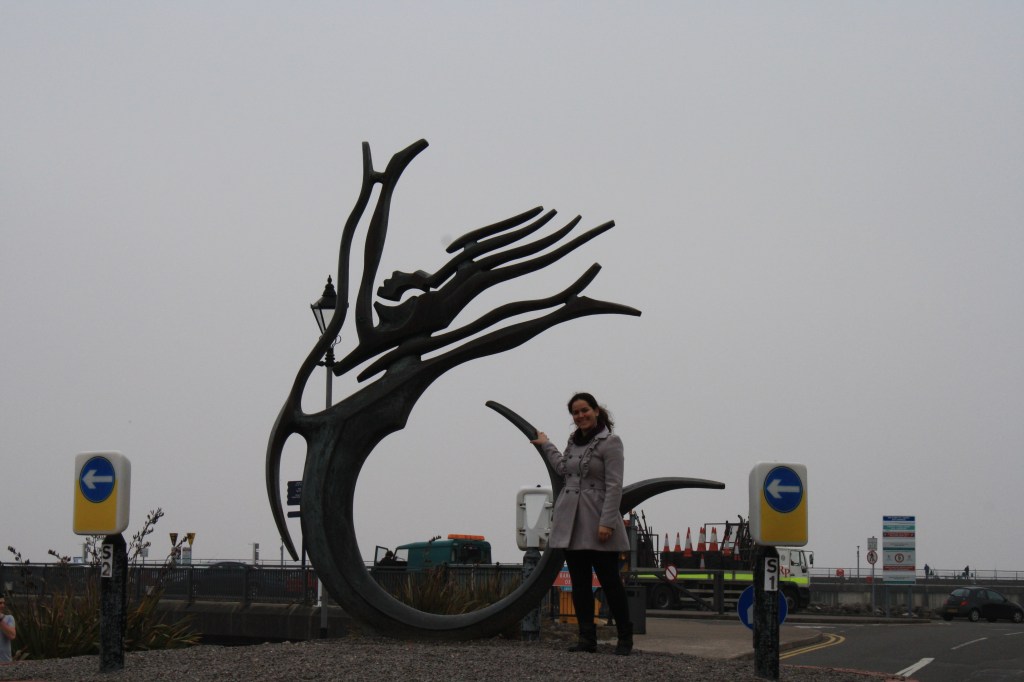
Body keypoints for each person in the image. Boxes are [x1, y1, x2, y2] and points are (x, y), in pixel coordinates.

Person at [531, 392, 633, 656]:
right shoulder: (573, 443)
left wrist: (607, 522)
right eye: (575, 412)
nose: (580, 416)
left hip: (597, 520)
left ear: (596, 410)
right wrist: (546, 444)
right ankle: (587, 639)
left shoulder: (611, 442)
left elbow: (615, 485)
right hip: (571, 522)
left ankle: (625, 638)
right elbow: (562, 468)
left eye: (584, 410)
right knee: (579, 582)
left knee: (610, 582)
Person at [0, 595, 15, 663]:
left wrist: (0, 620)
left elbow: (12, 636)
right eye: (0, 603)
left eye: (3, 603)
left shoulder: (9, 618)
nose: (2, 605)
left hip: (5, 663)